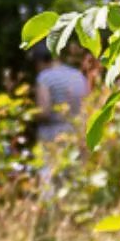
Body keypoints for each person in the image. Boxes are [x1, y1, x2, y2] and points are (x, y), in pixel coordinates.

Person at [30, 43, 91, 178]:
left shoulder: (45, 77)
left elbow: (44, 111)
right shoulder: (77, 75)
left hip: (53, 135)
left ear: (39, 61)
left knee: (50, 177)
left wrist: (29, 115)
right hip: (77, 132)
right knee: (74, 176)